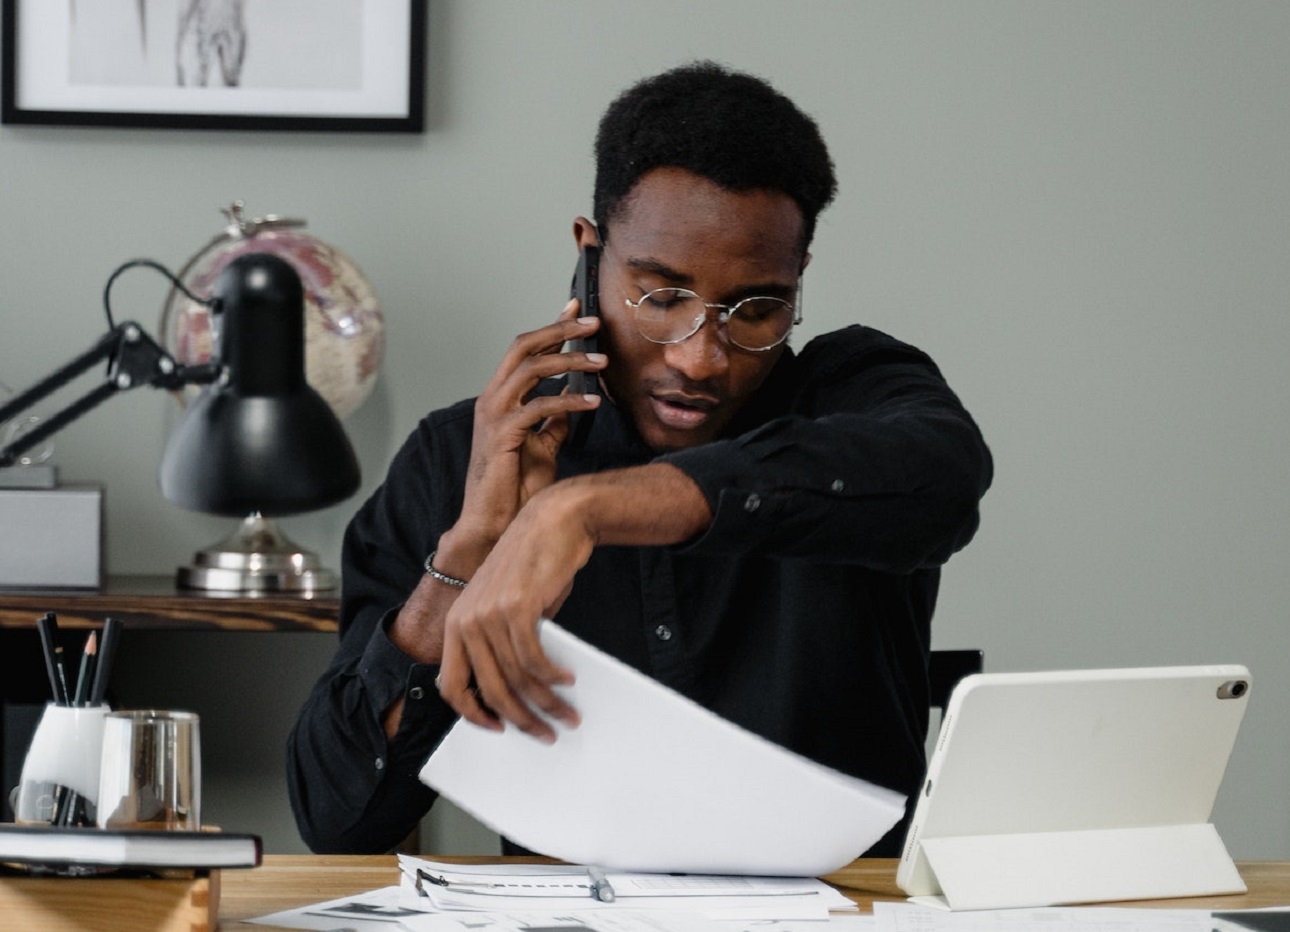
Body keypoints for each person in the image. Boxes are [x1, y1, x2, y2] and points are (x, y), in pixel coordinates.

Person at [287, 61, 993, 857]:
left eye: (757, 310)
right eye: (660, 297)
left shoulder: (854, 395)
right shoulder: (462, 457)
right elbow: (338, 818)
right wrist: (468, 553)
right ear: (591, 255)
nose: (702, 359)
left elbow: (945, 476)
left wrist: (579, 511)